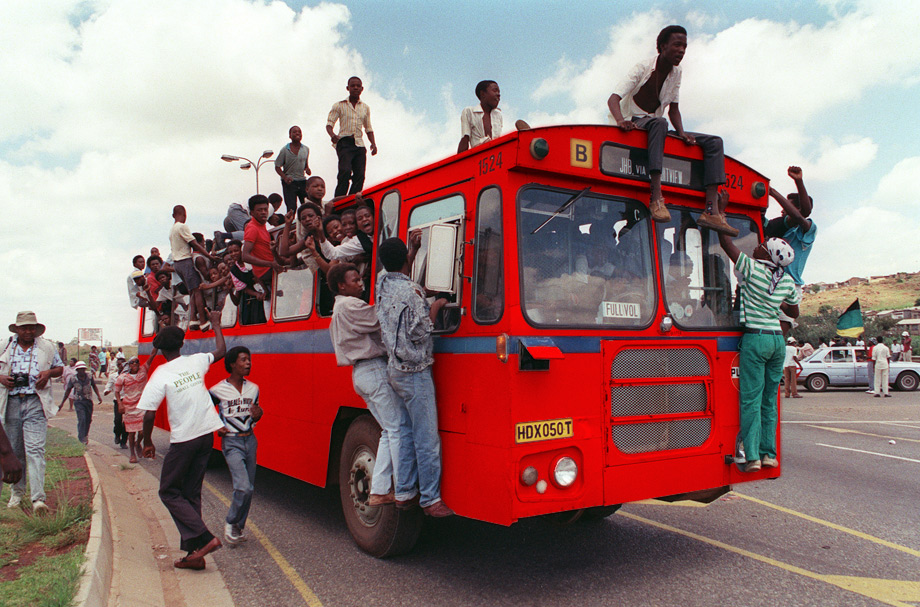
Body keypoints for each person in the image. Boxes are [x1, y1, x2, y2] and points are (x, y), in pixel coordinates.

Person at [607, 25, 736, 235]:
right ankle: (656, 198)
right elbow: (613, 98)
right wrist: (621, 121)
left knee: (715, 142)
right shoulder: (642, 68)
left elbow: (674, 109)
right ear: (662, 46)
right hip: (634, 123)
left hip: (657, 126)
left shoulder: (677, 73)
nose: (682, 50)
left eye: (684, 46)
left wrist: (683, 133)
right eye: (677, 45)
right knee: (660, 123)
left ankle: (711, 211)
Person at [711, 192, 800, 472]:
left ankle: (750, 457)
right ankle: (769, 454)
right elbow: (794, 312)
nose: (758, 247)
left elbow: (726, 243)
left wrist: (720, 211)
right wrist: (776, 299)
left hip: (757, 338)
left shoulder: (752, 269)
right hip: (777, 342)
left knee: (750, 398)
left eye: (762, 246)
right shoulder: (786, 280)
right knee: (769, 401)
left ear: (768, 256)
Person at [137, 311, 226, 570]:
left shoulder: (161, 373)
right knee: (190, 493)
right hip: (206, 435)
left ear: (161, 350)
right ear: (182, 344)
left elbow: (149, 414)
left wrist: (147, 442)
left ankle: (207, 539)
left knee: (168, 491)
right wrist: (217, 324)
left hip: (185, 438)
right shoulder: (197, 360)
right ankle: (194, 555)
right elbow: (221, 350)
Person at [375, 237, 453, 517]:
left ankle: (405, 491)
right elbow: (421, 331)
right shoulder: (413, 292)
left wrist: (412, 251)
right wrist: (439, 304)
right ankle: (430, 499)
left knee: (404, 433)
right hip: (415, 372)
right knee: (426, 437)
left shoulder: (381, 285)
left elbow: (399, 272)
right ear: (406, 261)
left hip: (393, 370)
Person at [329, 263, 408, 507]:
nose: (360, 283)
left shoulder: (338, 308)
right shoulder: (350, 304)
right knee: (398, 428)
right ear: (342, 285)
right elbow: (379, 318)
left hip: (362, 373)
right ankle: (402, 489)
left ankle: (380, 489)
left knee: (389, 429)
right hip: (372, 368)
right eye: (355, 280)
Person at [0, 311, 64, 512]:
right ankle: (17, 494)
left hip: (35, 401)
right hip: (11, 402)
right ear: (17, 329)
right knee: (15, 451)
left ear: (36, 329)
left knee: (35, 450)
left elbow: (60, 368)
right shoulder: (5, 346)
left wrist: (47, 373)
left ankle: (38, 499)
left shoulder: (46, 347)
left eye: (31, 327)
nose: (28, 331)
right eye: (24, 327)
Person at [209, 346, 262, 544]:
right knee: (243, 487)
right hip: (231, 442)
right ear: (232, 364)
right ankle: (231, 522)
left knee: (250, 487)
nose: (248, 363)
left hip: (250, 440)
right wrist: (216, 425)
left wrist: (259, 414)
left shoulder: (254, 388)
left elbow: (254, 413)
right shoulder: (217, 389)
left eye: (249, 359)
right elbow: (206, 407)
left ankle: (239, 527)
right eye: (243, 360)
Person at [764, 167, 816, 336]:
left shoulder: (807, 230)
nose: (782, 210)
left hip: (789, 285)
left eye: (786, 208)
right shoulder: (780, 229)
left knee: (779, 333)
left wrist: (796, 182)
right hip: (771, 281)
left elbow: (803, 213)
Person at [326, 76, 377, 197]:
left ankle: (352, 199)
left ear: (362, 89)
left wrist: (373, 144)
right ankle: (339, 198)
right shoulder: (339, 105)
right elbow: (329, 124)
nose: (355, 88)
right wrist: (332, 135)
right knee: (345, 171)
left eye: (358, 86)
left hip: (359, 144)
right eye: (353, 86)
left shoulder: (365, 108)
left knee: (360, 175)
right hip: (344, 143)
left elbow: (368, 128)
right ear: (347, 88)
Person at [170, 205, 218, 332]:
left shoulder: (172, 230)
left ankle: (193, 319)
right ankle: (202, 321)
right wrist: (209, 256)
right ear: (185, 215)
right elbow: (194, 243)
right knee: (197, 291)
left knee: (192, 291)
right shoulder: (182, 226)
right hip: (185, 261)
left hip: (177, 264)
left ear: (173, 215)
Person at [115, 352, 159, 463]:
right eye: (132, 362)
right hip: (129, 407)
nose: (135, 364)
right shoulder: (123, 377)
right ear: (129, 365)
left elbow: (152, 355)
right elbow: (117, 392)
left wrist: (158, 342)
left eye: (137, 362)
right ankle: (132, 454)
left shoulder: (143, 370)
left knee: (143, 431)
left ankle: (137, 443)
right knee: (131, 432)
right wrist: (120, 404)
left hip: (142, 405)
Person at [242, 195, 282, 293]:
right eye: (259, 210)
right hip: (266, 271)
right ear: (252, 213)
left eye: (265, 209)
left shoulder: (262, 226)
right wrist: (270, 264)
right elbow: (245, 256)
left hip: (270, 269)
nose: (263, 212)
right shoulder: (252, 228)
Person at [61, 361, 103, 445]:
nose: (82, 371)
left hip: (88, 401)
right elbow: (68, 390)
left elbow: (94, 386)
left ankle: (85, 435)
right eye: (80, 370)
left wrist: (98, 396)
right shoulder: (73, 379)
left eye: (83, 369)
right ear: (77, 370)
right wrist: (62, 403)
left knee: (88, 419)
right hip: (79, 401)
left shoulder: (90, 377)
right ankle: (81, 438)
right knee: (82, 419)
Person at [458, 80, 503, 152]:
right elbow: (465, 139)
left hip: (496, 156)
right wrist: (459, 162)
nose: (498, 94)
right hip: (479, 157)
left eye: (499, 92)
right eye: (495, 91)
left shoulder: (498, 115)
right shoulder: (469, 111)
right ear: (483, 94)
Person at [275, 126, 312, 213]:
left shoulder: (306, 149)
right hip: (289, 182)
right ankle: (290, 225)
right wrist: (285, 177)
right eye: (294, 132)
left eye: (299, 132)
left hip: (302, 181)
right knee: (292, 208)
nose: (297, 133)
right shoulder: (284, 150)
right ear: (290, 136)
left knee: (308, 204)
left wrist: (307, 169)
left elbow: (305, 164)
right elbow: (277, 167)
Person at [103, 358, 128, 449]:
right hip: (117, 400)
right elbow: (109, 385)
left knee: (127, 422)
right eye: (119, 364)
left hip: (127, 400)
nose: (120, 366)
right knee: (117, 420)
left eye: (122, 364)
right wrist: (107, 390)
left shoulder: (128, 375)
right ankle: (117, 434)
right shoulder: (113, 376)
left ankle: (124, 441)